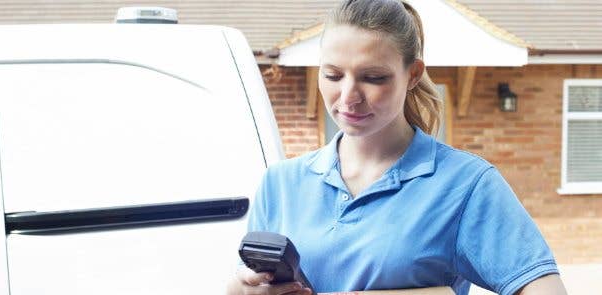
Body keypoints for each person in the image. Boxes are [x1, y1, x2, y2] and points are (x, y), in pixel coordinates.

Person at [226, 0, 568, 294]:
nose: (348, 97)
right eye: (332, 75)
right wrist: (240, 289)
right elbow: (245, 282)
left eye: (373, 77)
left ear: (414, 74)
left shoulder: (466, 185)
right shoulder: (281, 183)